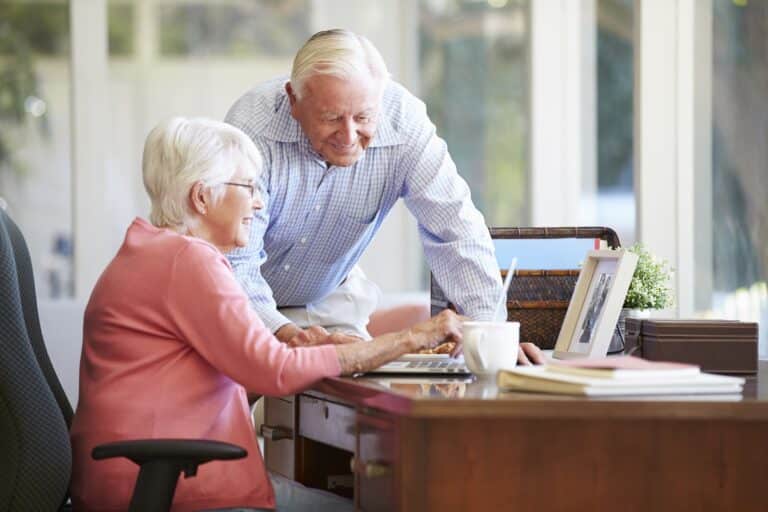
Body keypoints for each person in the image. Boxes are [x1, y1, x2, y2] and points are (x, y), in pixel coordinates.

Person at [69, 117, 463, 512]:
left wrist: (310, 349)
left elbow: (238, 371)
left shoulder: (149, 252)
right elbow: (274, 371)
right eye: (249, 187)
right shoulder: (188, 261)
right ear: (202, 197)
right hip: (173, 488)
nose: (259, 203)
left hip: (134, 481)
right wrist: (412, 338)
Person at [225, 29, 543, 364]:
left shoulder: (405, 124)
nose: (348, 136)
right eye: (331, 118)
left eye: (363, 117)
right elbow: (235, 263)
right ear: (294, 100)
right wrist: (288, 335)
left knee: (358, 398)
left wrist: (490, 335)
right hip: (242, 296)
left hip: (329, 292)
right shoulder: (251, 131)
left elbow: (455, 229)